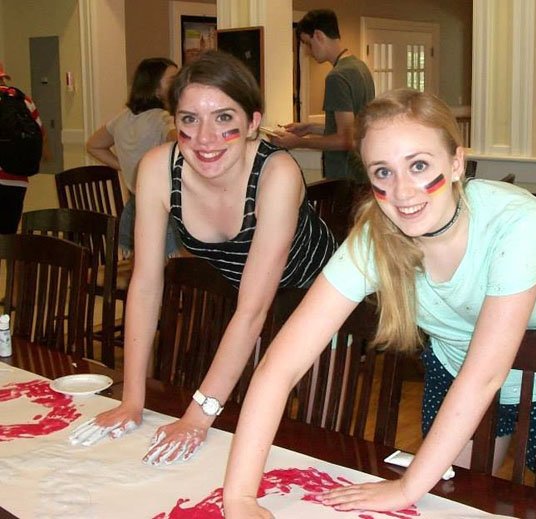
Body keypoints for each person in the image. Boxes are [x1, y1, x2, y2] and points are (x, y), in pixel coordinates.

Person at [222, 89, 536, 517]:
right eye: (383, 172)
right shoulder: (373, 241)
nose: (404, 191)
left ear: (456, 162)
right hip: (456, 365)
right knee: (447, 500)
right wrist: (240, 497)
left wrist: (406, 485)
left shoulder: (514, 218)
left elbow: (486, 374)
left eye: (419, 165)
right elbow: (281, 366)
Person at [69, 51, 337, 464]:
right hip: (246, 294)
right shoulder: (159, 167)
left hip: (322, 301)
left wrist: (198, 414)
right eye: (190, 119)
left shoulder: (276, 173)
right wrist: (131, 400)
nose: (205, 138)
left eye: (224, 118)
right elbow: (145, 284)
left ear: (252, 123)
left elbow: (253, 309)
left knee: (313, 441)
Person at [86, 57, 180, 258]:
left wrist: (127, 166)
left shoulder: (123, 117)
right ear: (154, 87)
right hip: (164, 212)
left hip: (135, 208)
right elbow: (184, 143)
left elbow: (94, 145)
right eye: (172, 79)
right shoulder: (162, 118)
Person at [270, 9, 375, 184]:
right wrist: (310, 127)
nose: (308, 51)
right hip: (362, 174)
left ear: (318, 35)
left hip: (344, 178)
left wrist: (298, 143)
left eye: (307, 43)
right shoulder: (360, 67)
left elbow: (346, 139)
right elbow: (351, 127)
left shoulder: (337, 77)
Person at [0, 62, 46, 234]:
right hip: (16, 180)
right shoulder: (22, 99)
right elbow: (40, 132)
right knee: (7, 240)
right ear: (3, 78)